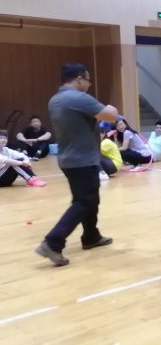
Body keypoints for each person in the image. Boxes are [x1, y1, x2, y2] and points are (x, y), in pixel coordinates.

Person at [34, 63, 119, 267]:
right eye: (88, 80)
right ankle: (53, 242)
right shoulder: (78, 98)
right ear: (79, 79)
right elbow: (111, 115)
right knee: (84, 202)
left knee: (89, 198)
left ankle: (91, 236)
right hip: (82, 159)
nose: (89, 84)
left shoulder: (56, 99)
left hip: (69, 158)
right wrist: (111, 108)